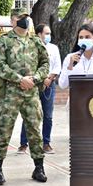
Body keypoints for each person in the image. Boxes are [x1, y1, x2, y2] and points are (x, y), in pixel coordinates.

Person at [0, 8, 49, 185]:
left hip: (31, 93)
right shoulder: (2, 41)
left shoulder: (35, 41)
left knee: (34, 130)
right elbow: (0, 66)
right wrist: (20, 79)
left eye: (27, 17)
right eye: (21, 17)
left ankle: (39, 168)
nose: (25, 20)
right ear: (13, 20)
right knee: (4, 130)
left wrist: (35, 78)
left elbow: (45, 63)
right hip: (10, 93)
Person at [19, 24, 61, 154]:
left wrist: (50, 78)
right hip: (33, 85)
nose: (48, 36)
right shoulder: (29, 47)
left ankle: (46, 143)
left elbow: (57, 66)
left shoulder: (53, 48)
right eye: (46, 33)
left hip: (49, 84)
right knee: (30, 114)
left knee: (47, 116)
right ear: (38, 34)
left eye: (49, 34)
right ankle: (23, 143)